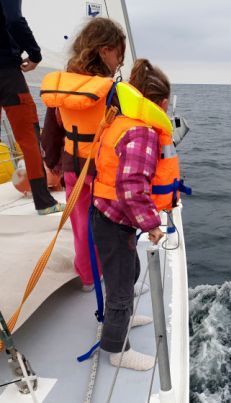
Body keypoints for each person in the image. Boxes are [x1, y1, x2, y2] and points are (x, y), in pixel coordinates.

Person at [91, 59, 180, 370]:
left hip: (109, 215)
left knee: (130, 270)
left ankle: (126, 315)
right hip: (115, 221)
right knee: (119, 293)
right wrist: (152, 225)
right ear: (163, 103)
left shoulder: (119, 120)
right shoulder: (142, 133)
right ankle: (118, 351)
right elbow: (130, 187)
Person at [40, 18, 125, 290]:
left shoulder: (63, 87)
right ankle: (117, 278)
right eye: (118, 54)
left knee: (81, 224)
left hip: (72, 168)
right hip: (103, 171)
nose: (120, 61)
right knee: (115, 226)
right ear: (104, 50)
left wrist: (52, 162)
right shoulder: (111, 90)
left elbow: (51, 129)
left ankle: (88, 278)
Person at [0, 0, 64, 214]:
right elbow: (14, 20)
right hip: (8, 74)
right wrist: (35, 54)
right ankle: (44, 202)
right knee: (28, 137)